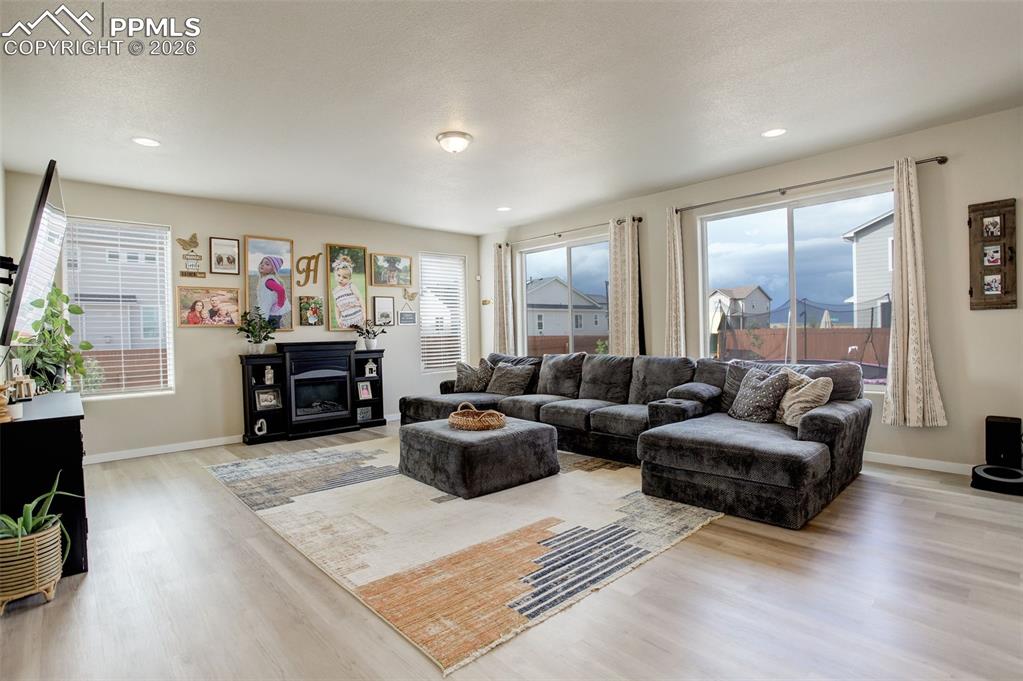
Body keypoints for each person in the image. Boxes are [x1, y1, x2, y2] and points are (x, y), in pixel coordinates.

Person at [256, 255, 291, 329]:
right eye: (262, 263)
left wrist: (278, 306)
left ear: (273, 270)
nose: (262, 264)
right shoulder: (265, 279)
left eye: (267, 264)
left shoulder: (269, 281)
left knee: (273, 332)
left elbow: (281, 291)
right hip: (272, 313)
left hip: (272, 314)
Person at [331, 254, 365, 328]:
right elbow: (337, 307)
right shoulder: (335, 291)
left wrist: (364, 316)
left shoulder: (351, 286)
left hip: (357, 316)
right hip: (346, 319)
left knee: (359, 334)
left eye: (345, 277)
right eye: (338, 275)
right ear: (335, 275)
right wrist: (338, 319)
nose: (341, 279)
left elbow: (360, 299)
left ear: (349, 279)